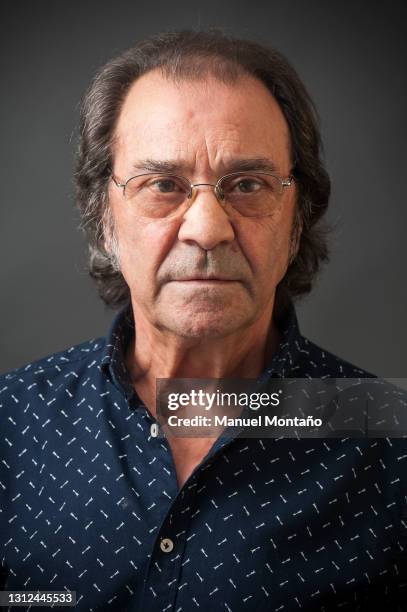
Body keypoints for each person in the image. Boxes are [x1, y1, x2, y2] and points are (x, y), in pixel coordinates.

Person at [0, 30, 405, 612]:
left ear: (297, 218)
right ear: (103, 218)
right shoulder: (13, 427)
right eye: (162, 185)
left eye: (248, 185)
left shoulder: (390, 445)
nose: (207, 228)